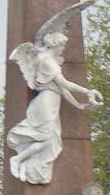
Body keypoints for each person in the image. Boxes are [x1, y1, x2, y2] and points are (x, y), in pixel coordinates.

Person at [7, 31, 103, 184]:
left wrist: (77, 104)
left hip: (52, 104)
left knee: (53, 143)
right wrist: (87, 91)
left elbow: (62, 90)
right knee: (46, 139)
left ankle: (25, 164)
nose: (63, 50)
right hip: (45, 104)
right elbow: (65, 84)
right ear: (56, 45)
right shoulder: (48, 62)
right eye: (62, 46)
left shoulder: (50, 61)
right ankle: (17, 159)